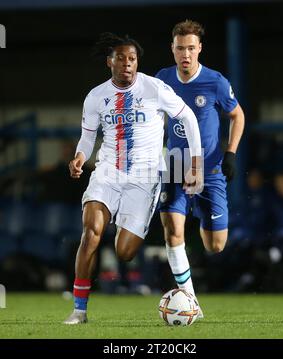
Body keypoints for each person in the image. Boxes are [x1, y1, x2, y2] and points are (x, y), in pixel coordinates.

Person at [64, 32, 203, 324]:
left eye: (133, 58)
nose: (127, 63)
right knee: (91, 233)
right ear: (109, 62)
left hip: (145, 178)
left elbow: (188, 117)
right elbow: (88, 139)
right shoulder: (96, 97)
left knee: (124, 252)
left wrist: (195, 162)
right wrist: (79, 157)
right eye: (121, 58)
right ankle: (79, 310)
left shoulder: (154, 88)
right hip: (107, 173)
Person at [156, 20, 245, 304]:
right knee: (172, 231)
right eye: (180, 48)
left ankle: (199, 214)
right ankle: (190, 301)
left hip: (210, 169)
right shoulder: (162, 80)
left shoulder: (216, 82)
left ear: (200, 49)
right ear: (172, 49)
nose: (186, 54)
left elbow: (237, 116)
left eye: (191, 48)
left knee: (215, 245)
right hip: (177, 166)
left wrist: (230, 152)